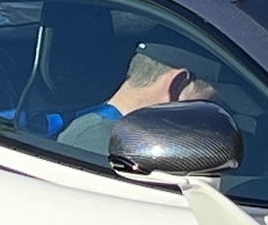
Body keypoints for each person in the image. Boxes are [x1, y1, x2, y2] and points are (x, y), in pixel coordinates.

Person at [55, 47, 218, 159]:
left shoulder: (125, 138)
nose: (202, 123)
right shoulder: (96, 142)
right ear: (176, 86)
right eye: (203, 107)